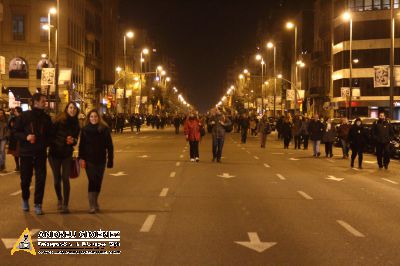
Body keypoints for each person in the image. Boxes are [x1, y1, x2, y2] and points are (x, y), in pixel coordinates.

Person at [14, 93, 53, 215]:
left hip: (40, 153)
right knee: (25, 180)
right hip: (26, 153)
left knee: (41, 179)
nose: (45, 103)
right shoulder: (24, 116)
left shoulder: (47, 118)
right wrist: (26, 137)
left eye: (45, 101)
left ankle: (38, 204)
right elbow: (15, 132)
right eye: (43, 101)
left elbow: (51, 135)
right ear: (35, 102)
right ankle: (25, 199)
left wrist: (45, 143)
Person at [79, 110, 113, 213]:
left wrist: (110, 160)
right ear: (88, 118)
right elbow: (81, 146)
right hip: (89, 160)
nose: (93, 118)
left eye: (95, 117)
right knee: (92, 180)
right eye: (91, 117)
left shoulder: (104, 129)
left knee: (98, 182)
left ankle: (95, 201)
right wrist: (81, 158)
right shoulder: (85, 130)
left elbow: (110, 146)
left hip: (101, 160)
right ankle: (92, 205)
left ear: (98, 118)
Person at [48, 102, 80, 213]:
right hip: (54, 154)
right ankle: (59, 199)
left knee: (65, 178)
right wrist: (63, 141)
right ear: (66, 109)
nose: (72, 110)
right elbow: (50, 136)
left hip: (67, 154)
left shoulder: (76, 123)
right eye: (71, 108)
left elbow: (75, 139)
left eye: (74, 108)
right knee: (57, 179)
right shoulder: (58, 120)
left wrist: (73, 141)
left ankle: (66, 204)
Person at [7, 107, 23, 171]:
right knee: (15, 153)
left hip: (21, 138)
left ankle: (22, 166)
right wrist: (11, 125)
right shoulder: (13, 118)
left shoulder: (23, 118)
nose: (14, 112)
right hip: (14, 138)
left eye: (15, 111)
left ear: (18, 111)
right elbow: (9, 126)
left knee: (21, 153)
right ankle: (17, 166)